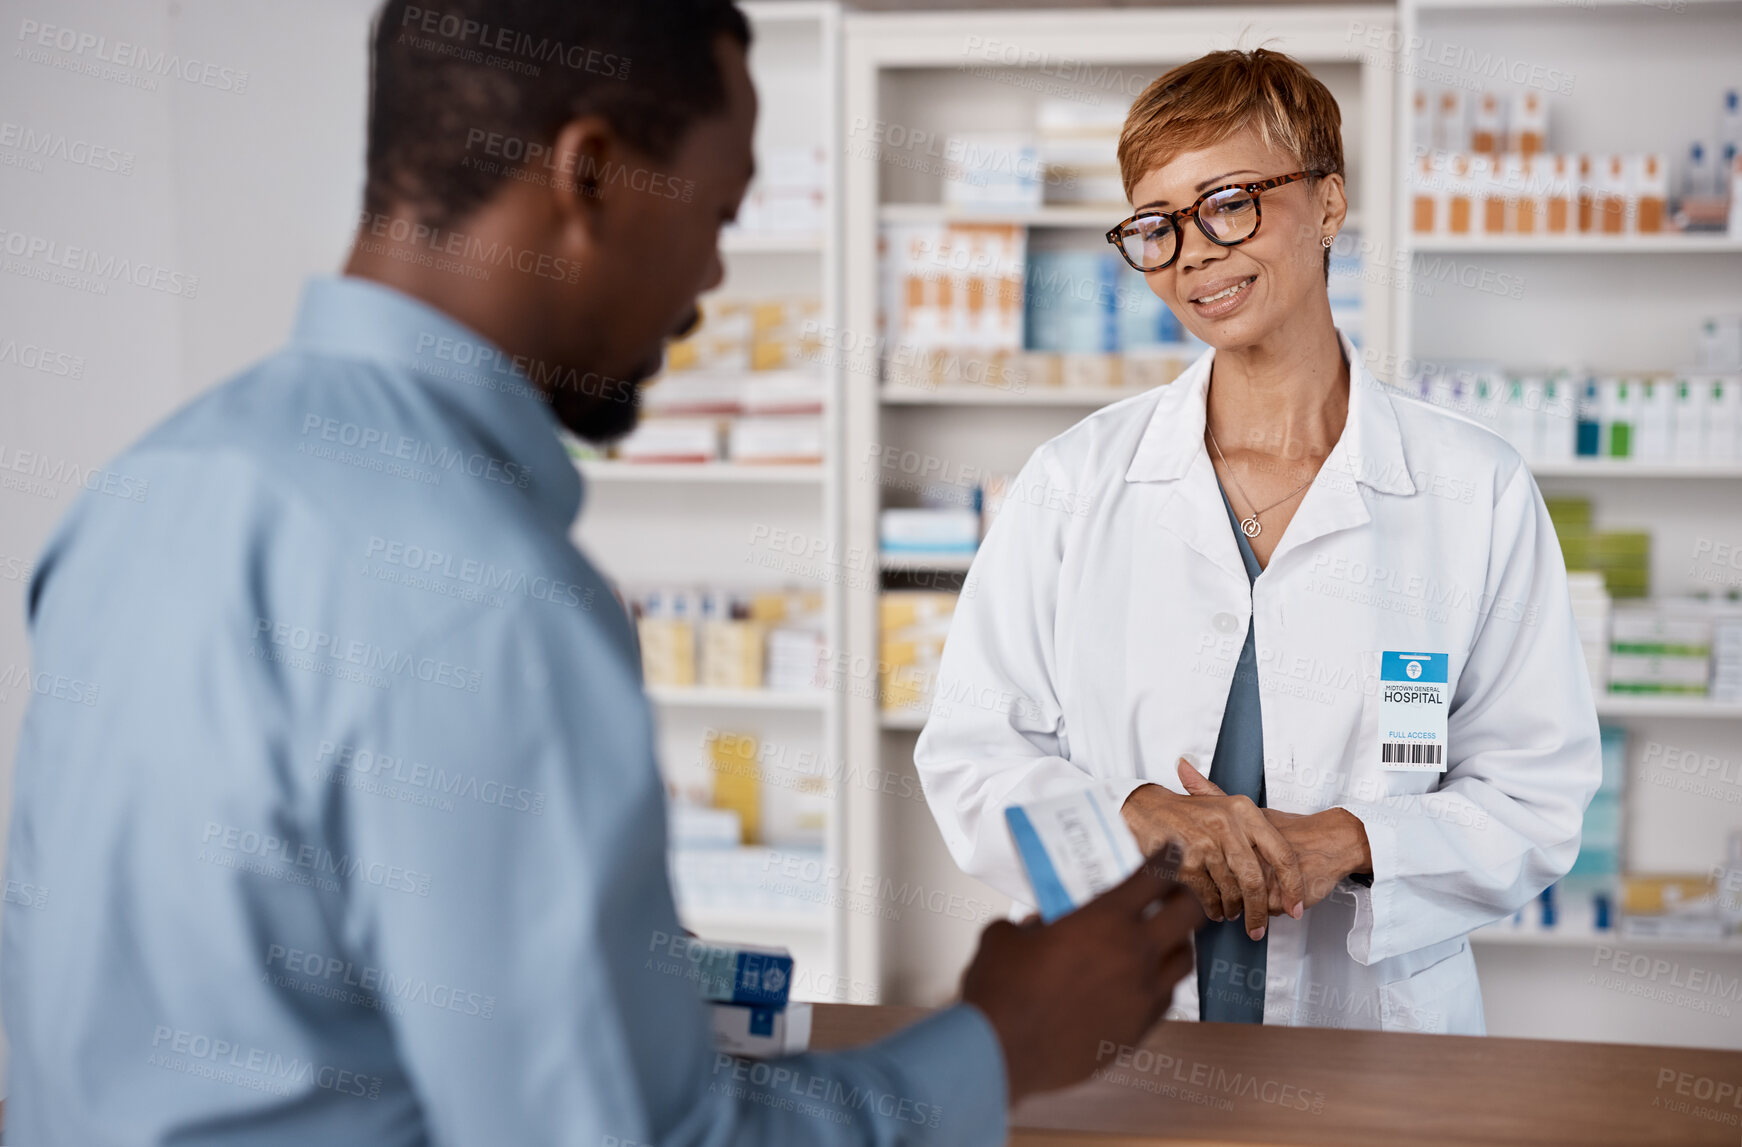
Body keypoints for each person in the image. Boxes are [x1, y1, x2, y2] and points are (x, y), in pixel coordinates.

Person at [0, 3, 1203, 1143]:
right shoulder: (487, 598)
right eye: (717, 218)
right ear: (588, 177)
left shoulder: (151, 485)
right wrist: (998, 1041)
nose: (712, 282)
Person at [915, 49, 1600, 1034]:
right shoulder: (1074, 481)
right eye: (1155, 225)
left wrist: (1353, 837)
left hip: (1377, 1038)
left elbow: (1535, 796)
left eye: (1228, 202)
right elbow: (973, 755)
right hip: (1122, 1018)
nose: (1191, 252)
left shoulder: (1471, 489)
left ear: (1327, 203)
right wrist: (1129, 814)